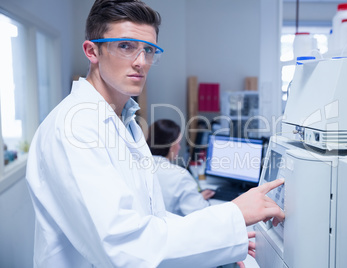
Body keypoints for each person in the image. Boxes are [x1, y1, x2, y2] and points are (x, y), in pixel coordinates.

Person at [25, 0, 285, 267]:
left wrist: (229, 237)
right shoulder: (74, 129)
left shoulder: (126, 123)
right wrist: (233, 214)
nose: (140, 62)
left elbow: (150, 219)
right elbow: (123, 247)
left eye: (148, 50)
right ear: (92, 51)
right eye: (125, 46)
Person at [146, 119, 215, 216]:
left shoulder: (138, 167)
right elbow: (201, 214)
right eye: (178, 143)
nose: (179, 147)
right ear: (171, 146)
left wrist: (195, 198)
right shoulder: (179, 176)